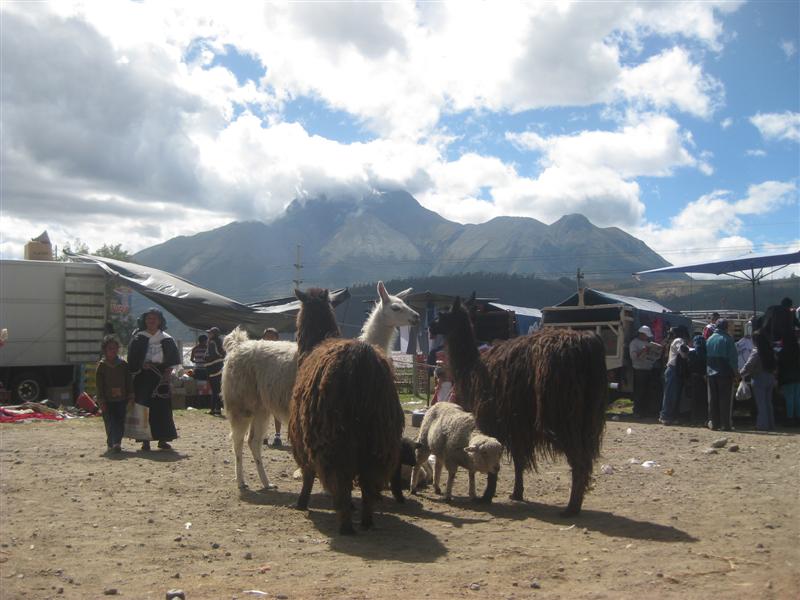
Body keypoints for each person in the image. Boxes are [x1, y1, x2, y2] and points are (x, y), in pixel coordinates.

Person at [127, 308, 181, 450]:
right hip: (143, 377)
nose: (151, 321)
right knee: (144, 407)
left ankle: (162, 439)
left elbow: (173, 360)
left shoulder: (167, 339)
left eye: (154, 319)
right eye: (148, 318)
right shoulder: (138, 337)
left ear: (160, 321)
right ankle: (145, 440)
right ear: (144, 321)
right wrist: (141, 364)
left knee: (162, 409)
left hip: (160, 377)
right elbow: (132, 359)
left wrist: (169, 371)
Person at [95, 335, 134, 453]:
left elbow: (128, 381)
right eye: (110, 348)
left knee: (120, 420)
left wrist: (131, 395)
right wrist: (101, 400)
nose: (113, 351)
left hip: (121, 398)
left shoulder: (123, 365)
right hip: (107, 399)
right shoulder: (102, 366)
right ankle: (111, 442)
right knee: (109, 421)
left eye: (115, 348)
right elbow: (99, 385)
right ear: (105, 350)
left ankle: (117, 442)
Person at [740, 329, 776, 431]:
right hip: (770, 377)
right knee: (768, 403)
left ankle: (762, 425)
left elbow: (749, 366)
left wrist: (740, 374)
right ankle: (771, 424)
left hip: (759, 378)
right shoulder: (770, 350)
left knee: (761, 404)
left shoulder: (756, 351)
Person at [705, 319, 737, 431]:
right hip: (725, 372)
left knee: (713, 399)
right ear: (726, 327)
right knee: (725, 400)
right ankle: (726, 424)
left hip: (710, 373)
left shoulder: (709, 339)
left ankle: (714, 423)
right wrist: (735, 372)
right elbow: (733, 359)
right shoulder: (728, 339)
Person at [659, 326, 690, 425]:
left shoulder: (676, 340)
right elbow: (683, 351)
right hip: (673, 370)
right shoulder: (678, 340)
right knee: (670, 394)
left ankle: (670, 416)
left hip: (675, 370)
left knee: (674, 395)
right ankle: (665, 416)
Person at [629, 325, 661, 418]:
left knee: (647, 392)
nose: (647, 337)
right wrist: (643, 351)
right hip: (639, 370)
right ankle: (637, 411)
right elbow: (633, 357)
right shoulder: (634, 343)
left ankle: (644, 411)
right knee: (639, 391)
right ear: (641, 334)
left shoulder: (648, 342)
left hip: (648, 369)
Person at [262, 327, 283, 446]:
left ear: (276, 338)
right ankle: (264, 434)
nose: (269, 339)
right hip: (263, 383)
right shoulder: (260, 350)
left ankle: (277, 435)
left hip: (277, 383)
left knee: (276, 410)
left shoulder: (281, 350)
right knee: (263, 409)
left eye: (271, 337)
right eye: (267, 336)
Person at [686, 334, 708, 425]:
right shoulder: (706, 352)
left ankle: (694, 419)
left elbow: (689, 365)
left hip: (694, 377)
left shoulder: (692, 353)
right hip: (704, 378)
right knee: (703, 399)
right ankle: (703, 418)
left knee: (694, 399)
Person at [206, 326, 225, 416]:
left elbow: (214, 354)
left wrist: (205, 358)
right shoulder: (219, 342)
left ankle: (214, 409)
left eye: (210, 333)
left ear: (214, 334)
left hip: (214, 368)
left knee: (215, 390)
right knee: (217, 389)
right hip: (218, 367)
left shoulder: (212, 342)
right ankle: (216, 409)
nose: (208, 334)